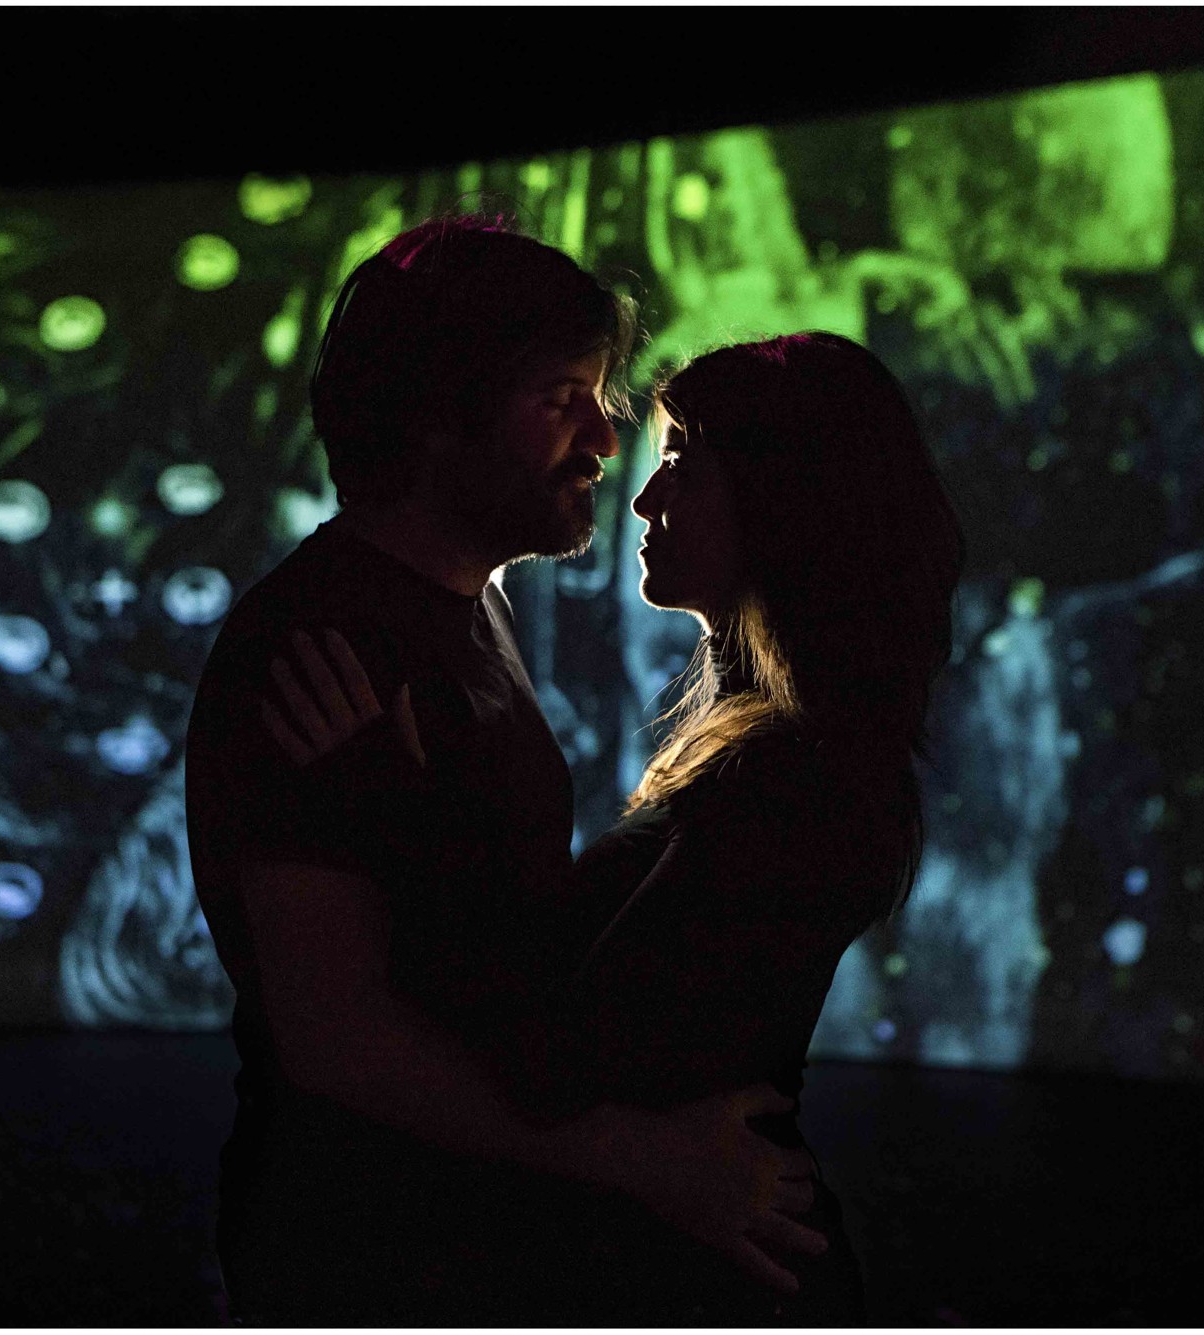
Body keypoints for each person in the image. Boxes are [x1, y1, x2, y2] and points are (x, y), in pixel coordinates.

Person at [183, 216, 827, 1326]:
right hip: (361, 1257)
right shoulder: (321, 647)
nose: (602, 432)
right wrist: (647, 1158)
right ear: (438, 415)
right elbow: (336, 1038)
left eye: (596, 391)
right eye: (557, 397)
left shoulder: (454, 600)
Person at [269, 331, 967, 1323]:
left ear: (786, 497)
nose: (642, 499)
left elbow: (547, 1055)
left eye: (683, 463)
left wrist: (381, 802)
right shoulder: (772, 758)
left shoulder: (782, 781)